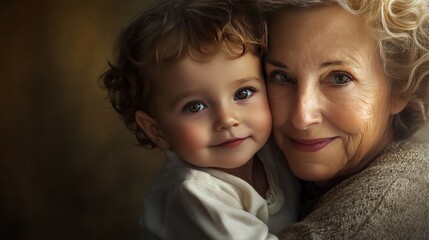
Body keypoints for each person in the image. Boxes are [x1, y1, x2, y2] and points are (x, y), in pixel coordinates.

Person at [100, 0, 299, 239]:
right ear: (157, 130)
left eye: (243, 93)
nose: (227, 119)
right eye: (195, 106)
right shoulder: (194, 193)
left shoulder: (272, 149)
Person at [261, 0, 429, 239]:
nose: (302, 117)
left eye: (339, 78)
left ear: (399, 88)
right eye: (282, 77)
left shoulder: (384, 205)